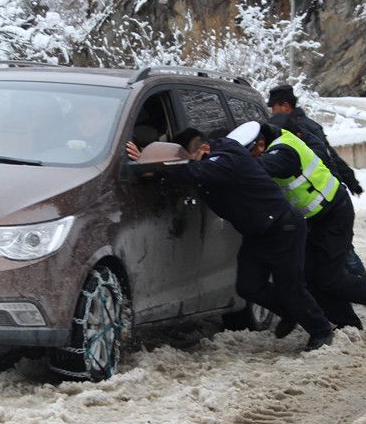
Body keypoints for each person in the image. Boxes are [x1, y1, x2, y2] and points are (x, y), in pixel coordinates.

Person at [131, 128, 335, 351]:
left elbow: (194, 172)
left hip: (283, 227)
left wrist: (149, 165)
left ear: (204, 149)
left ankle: (321, 331)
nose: (192, 164)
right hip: (257, 231)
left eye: (192, 160)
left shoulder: (226, 159)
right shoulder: (215, 155)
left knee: (290, 286)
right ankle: (289, 311)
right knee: (248, 286)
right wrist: (152, 160)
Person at [229, 120, 366, 332]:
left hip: (334, 213)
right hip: (311, 219)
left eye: (250, 154)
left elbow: (259, 167)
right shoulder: (273, 144)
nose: (251, 159)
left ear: (260, 145)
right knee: (310, 277)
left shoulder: (283, 151)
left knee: (329, 277)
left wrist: (228, 165)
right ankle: (346, 322)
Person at [267, 84, 366, 278]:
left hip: (324, 197)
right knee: (330, 250)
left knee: (342, 250)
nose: (272, 112)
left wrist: (350, 181)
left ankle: (362, 285)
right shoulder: (303, 125)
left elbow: (327, 156)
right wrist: (351, 181)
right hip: (320, 197)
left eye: (274, 107)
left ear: (285, 106)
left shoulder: (298, 129)